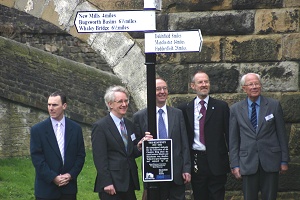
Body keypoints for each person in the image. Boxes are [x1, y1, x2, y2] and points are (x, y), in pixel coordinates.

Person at [229, 73, 290, 200]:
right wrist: (235, 164)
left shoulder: (274, 105)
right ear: (244, 88)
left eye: (257, 83)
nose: (254, 87)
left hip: (271, 161)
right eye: (250, 84)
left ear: (261, 86)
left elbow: (282, 135)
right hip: (247, 162)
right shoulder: (235, 109)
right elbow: (233, 140)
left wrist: (284, 160)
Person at [133, 77, 191, 200]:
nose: (162, 91)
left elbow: (184, 143)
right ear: (150, 92)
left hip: (176, 174)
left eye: (165, 88)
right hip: (153, 173)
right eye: (158, 89)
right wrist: (140, 144)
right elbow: (135, 146)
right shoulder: (140, 116)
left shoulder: (177, 114)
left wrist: (186, 168)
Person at [91, 85, 152, 200]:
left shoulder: (129, 125)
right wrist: (106, 182)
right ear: (110, 104)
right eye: (120, 101)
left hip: (129, 182)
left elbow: (129, 153)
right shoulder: (100, 127)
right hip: (112, 184)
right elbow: (100, 158)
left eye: (126, 101)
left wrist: (139, 146)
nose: (124, 104)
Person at [178, 71, 230, 200]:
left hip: (217, 161)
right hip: (197, 161)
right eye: (200, 82)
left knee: (217, 195)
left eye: (206, 82)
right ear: (193, 86)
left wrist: (234, 161)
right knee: (199, 196)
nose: (204, 85)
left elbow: (229, 135)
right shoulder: (184, 109)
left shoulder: (221, 107)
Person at [30, 91, 86, 200]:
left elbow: (80, 156)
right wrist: (53, 177)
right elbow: (37, 158)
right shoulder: (38, 130)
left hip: (68, 189)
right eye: (49, 104)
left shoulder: (76, 129)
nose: (51, 108)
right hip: (46, 190)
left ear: (64, 106)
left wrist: (70, 175)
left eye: (55, 105)